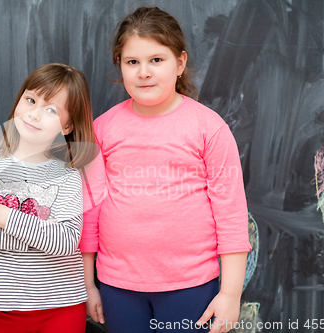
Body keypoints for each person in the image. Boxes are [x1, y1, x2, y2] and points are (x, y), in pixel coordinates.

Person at [80, 7, 251, 333]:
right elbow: (89, 213)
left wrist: (230, 293)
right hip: (118, 286)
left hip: (191, 285)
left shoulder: (208, 128)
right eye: (132, 62)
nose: (144, 72)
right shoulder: (100, 131)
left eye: (156, 60)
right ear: (121, 65)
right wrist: (89, 285)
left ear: (180, 63)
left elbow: (231, 215)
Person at [0, 63, 97, 333]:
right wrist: (43, 236)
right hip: (3, 309)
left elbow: (66, 242)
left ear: (67, 125)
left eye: (50, 110)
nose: (34, 114)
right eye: (31, 100)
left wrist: (4, 216)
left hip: (62, 308)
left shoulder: (68, 175)